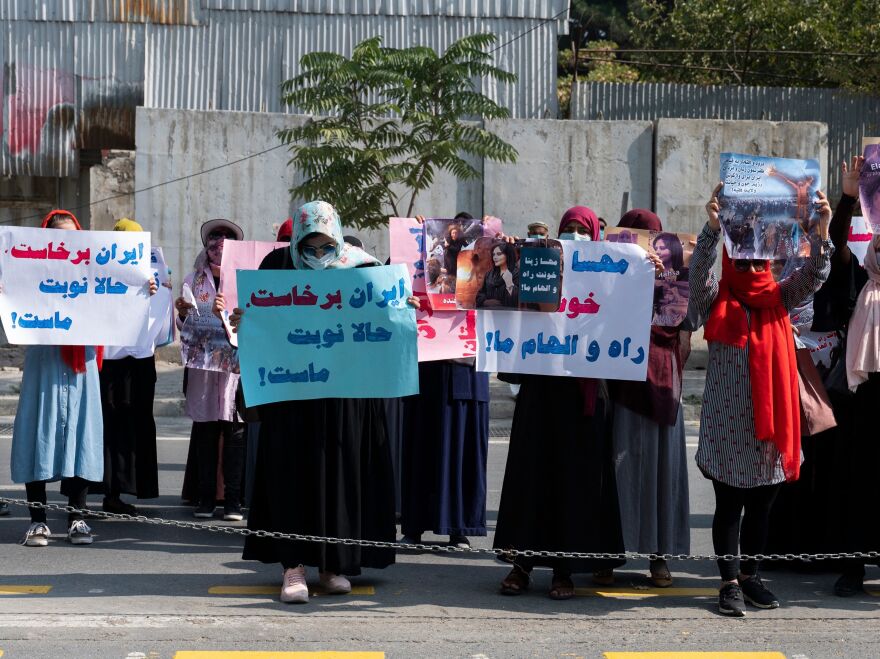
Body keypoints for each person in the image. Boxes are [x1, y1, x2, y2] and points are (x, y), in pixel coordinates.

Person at [228, 200, 416, 604]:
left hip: (346, 395)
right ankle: (292, 567)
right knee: (291, 473)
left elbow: (385, 324)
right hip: (293, 395)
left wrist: (403, 312)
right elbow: (259, 321)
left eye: (324, 247)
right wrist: (245, 321)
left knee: (341, 474)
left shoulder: (363, 269)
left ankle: (333, 565)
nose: (316, 256)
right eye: (309, 248)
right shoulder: (277, 268)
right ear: (297, 240)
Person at [689, 182, 832, 617]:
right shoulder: (718, 300)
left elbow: (814, 276)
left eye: (758, 257)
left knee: (763, 507)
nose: (751, 264)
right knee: (729, 506)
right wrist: (713, 230)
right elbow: (697, 278)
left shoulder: (780, 297)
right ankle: (729, 583)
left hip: (773, 429)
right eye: (743, 255)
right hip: (728, 426)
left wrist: (820, 231)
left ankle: (751, 577)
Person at [493, 205, 629, 600]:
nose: (573, 235)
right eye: (567, 228)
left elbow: (627, 308)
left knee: (573, 482)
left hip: (583, 396)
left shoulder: (606, 277)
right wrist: (519, 255)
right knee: (531, 476)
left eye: (580, 229)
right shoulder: (542, 268)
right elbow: (512, 305)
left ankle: (563, 571)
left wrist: (644, 268)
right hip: (541, 388)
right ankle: (522, 565)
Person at [10, 210, 155, 547]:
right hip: (44, 362)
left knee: (81, 437)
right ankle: (38, 521)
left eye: (74, 236)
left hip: (82, 363)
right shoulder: (30, 269)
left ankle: (77, 517)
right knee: (38, 434)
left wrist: (141, 288)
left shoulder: (94, 270)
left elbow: (121, 297)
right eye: (59, 236)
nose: (66, 243)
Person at [608, 209, 692, 588]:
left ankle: (661, 557)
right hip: (622, 380)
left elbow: (685, 325)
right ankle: (608, 552)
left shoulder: (675, 276)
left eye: (652, 237)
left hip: (661, 377)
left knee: (663, 470)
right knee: (618, 468)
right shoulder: (610, 271)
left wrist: (669, 273)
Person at [399, 213, 491, 551]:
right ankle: (414, 525)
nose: (458, 243)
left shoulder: (489, 271)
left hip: (467, 369)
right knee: (421, 446)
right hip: (429, 368)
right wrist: (411, 242)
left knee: (464, 450)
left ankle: (460, 528)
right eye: (452, 237)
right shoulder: (425, 269)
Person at [176, 219, 246, 521]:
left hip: (235, 367)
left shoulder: (244, 278)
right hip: (204, 367)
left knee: (235, 433)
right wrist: (181, 312)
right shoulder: (194, 279)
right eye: (214, 237)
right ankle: (205, 498)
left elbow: (253, 317)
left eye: (226, 238)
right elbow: (184, 324)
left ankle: (232, 500)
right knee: (205, 432)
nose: (219, 242)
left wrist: (229, 314)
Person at [98, 218, 162, 515]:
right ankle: (105, 493)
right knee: (108, 427)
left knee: (136, 426)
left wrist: (158, 292)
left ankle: (124, 491)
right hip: (110, 363)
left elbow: (160, 327)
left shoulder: (153, 275)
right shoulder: (100, 272)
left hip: (139, 363)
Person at [475, 241, 518, 309]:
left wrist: (509, 283)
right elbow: (481, 293)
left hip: (508, 315)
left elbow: (518, 299)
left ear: (508, 255)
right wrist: (485, 302)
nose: (495, 257)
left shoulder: (517, 274)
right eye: (494, 254)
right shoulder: (489, 274)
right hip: (489, 314)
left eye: (499, 254)